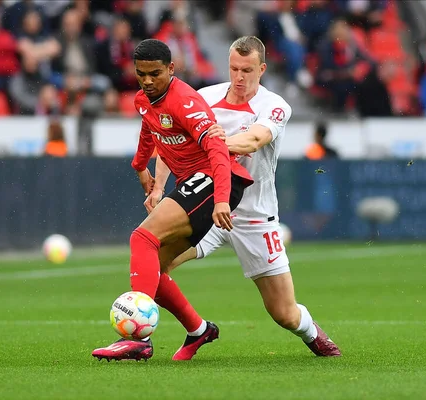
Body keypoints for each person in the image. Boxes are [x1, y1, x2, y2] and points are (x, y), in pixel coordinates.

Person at [108, 36, 342, 361]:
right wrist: (159, 186)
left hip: (253, 215)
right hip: (208, 201)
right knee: (153, 263)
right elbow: (169, 139)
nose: (239, 77)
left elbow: (255, 139)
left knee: (284, 313)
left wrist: (214, 143)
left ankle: (312, 334)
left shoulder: (274, 105)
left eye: (247, 69)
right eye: (233, 68)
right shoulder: (205, 97)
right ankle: (188, 330)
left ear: (261, 69)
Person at [92, 39, 253, 361]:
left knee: (142, 238)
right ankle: (199, 330)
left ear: (171, 69)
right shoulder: (143, 99)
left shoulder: (187, 102)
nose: (148, 81)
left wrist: (221, 199)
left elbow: (218, 148)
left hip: (216, 180)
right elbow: (149, 130)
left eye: (155, 74)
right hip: (194, 184)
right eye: (141, 74)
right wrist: (140, 167)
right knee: (157, 265)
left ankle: (140, 340)